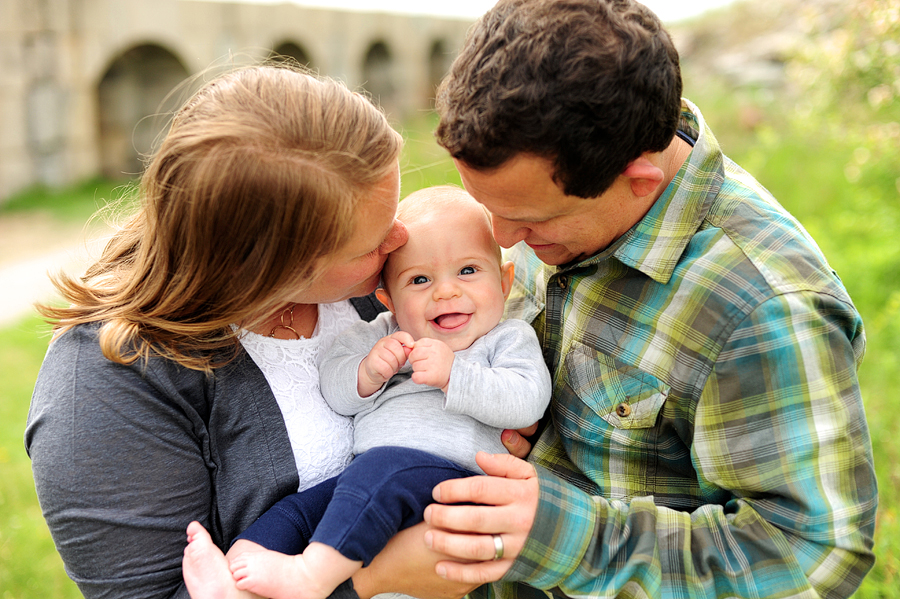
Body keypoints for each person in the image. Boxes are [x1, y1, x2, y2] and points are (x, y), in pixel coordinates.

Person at [420, 1, 879, 598]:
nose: (503, 239)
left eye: (531, 222)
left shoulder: (759, 305)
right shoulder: (564, 187)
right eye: (489, 207)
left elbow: (813, 556)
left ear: (640, 179)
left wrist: (566, 535)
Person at [23, 64, 515, 599]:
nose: (400, 241)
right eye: (371, 241)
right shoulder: (107, 385)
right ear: (272, 269)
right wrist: (374, 579)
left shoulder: (373, 290)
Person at [181, 185, 552, 599]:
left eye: (468, 270)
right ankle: (233, 581)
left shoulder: (507, 339)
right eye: (420, 279)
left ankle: (311, 577)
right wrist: (368, 372)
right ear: (387, 300)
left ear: (504, 281)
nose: (446, 291)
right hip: (368, 478)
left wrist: (456, 376)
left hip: (452, 484)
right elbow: (335, 391)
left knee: (383, 471)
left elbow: (528, 401)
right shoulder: (383, 335)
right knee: (298, 512)